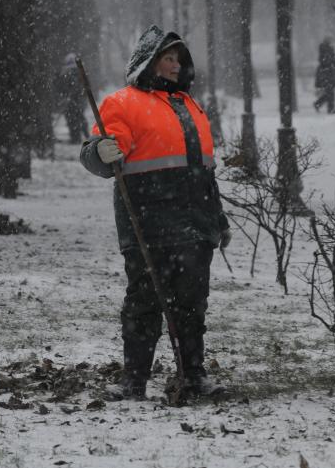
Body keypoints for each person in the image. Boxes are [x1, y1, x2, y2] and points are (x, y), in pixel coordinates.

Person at [80, 25, 231, 400]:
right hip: (147, 224)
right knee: (144, 304)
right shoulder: (123, 103)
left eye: (178, 58)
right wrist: (99, 152)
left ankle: (193, 377)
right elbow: (99, 149)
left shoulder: (192, 107)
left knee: (193, 306)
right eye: (167, 57)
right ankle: (134, 381)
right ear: (148, 62)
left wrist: (218, 217)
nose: (175, 65)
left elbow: (204, 173)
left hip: (196, 225)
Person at [54, 53, 89, 143]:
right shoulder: (80, 71)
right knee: (78, 118)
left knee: (73, 119)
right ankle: (84, 135)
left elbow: (66, 86)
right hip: (78, 100)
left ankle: (76, 138)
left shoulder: (68, 72)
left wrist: (68, 96)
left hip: (74, 100)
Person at [313, 37, 335, 114]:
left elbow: (330, 61)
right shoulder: (326, 50)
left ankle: (318, 104)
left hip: (327, 74)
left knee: (329, 93)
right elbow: (329, 61)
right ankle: (330, 109)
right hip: (327, 75)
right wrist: (334, 62)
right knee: (330, 93)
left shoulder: (325, 50)